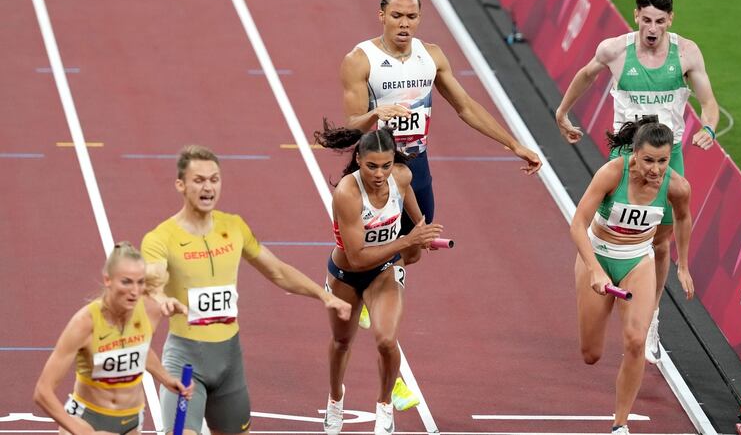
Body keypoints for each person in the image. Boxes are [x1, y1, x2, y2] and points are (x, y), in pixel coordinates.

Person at [342, 0, 541, 405]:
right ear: (381, 15)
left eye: (411, 17)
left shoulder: (431, 57)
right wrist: (376, 115)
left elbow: (466, 106)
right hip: (380, 172)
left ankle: (374, 282)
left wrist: (513, 143)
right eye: (396, 16)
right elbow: (350, 126)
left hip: (417, 166)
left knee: (414, 249)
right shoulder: (361, 60)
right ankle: (376, 309)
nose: (404, 24)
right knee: (384, 258)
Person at [555, 0, 718, 364]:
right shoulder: (615, 50)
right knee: (608, 224)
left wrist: (707, 128)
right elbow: (585, 75)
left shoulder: (687, 53)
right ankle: (599, 271)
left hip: (668, 154)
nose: (652, 28)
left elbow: (708, 101)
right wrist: (562, 113)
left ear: (670, 21)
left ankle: (650, 318)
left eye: (660, 21)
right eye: (646, 20)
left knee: (659, 243)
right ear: (636, 17)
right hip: (625, 154)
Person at [140, 145, 351, 435]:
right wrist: (161, 296)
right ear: (181, 184)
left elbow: (276, 270)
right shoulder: (161, 237)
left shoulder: (233, 227)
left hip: (229, 364)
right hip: (186, 364)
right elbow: (152, 276)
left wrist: (324, 295)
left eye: (214, 179)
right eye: (199, 180)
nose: (208, 187)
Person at [314, 121, 443, 435]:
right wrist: (407, 241)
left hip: (384, 271)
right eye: (372, 166)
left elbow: (412, 208)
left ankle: (385, 406)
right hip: (347, 273)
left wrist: (422, 231)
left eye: (386, 166)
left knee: (386, 340)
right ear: (359, 160)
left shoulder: (400, 176)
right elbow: (357, 258)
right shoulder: (347, 193)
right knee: (342, 341)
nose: (379, 174)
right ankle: (335, 399)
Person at [570, 118, 694, 435]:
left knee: (636, 341)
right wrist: (595, 269)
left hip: (638, 260)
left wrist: (683, 265)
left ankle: (620, 424)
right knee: (591, 354)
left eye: (663, 161)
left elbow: (683, 218)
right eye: (649, 160)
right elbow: (577, 223)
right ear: (635, 154)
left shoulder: (677, 187)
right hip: (597, 256)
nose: (655, 169)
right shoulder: (613, 173)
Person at [34, 242, 192, 435]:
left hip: (132, 421)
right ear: (108, 280)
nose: (134, 291)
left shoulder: (150, 311)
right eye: (126, 282)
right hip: (87, 420)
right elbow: (43, 391)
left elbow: (139, 349)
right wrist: (80, 431)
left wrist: (166, 379)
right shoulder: (85, 323)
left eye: (140, 282)